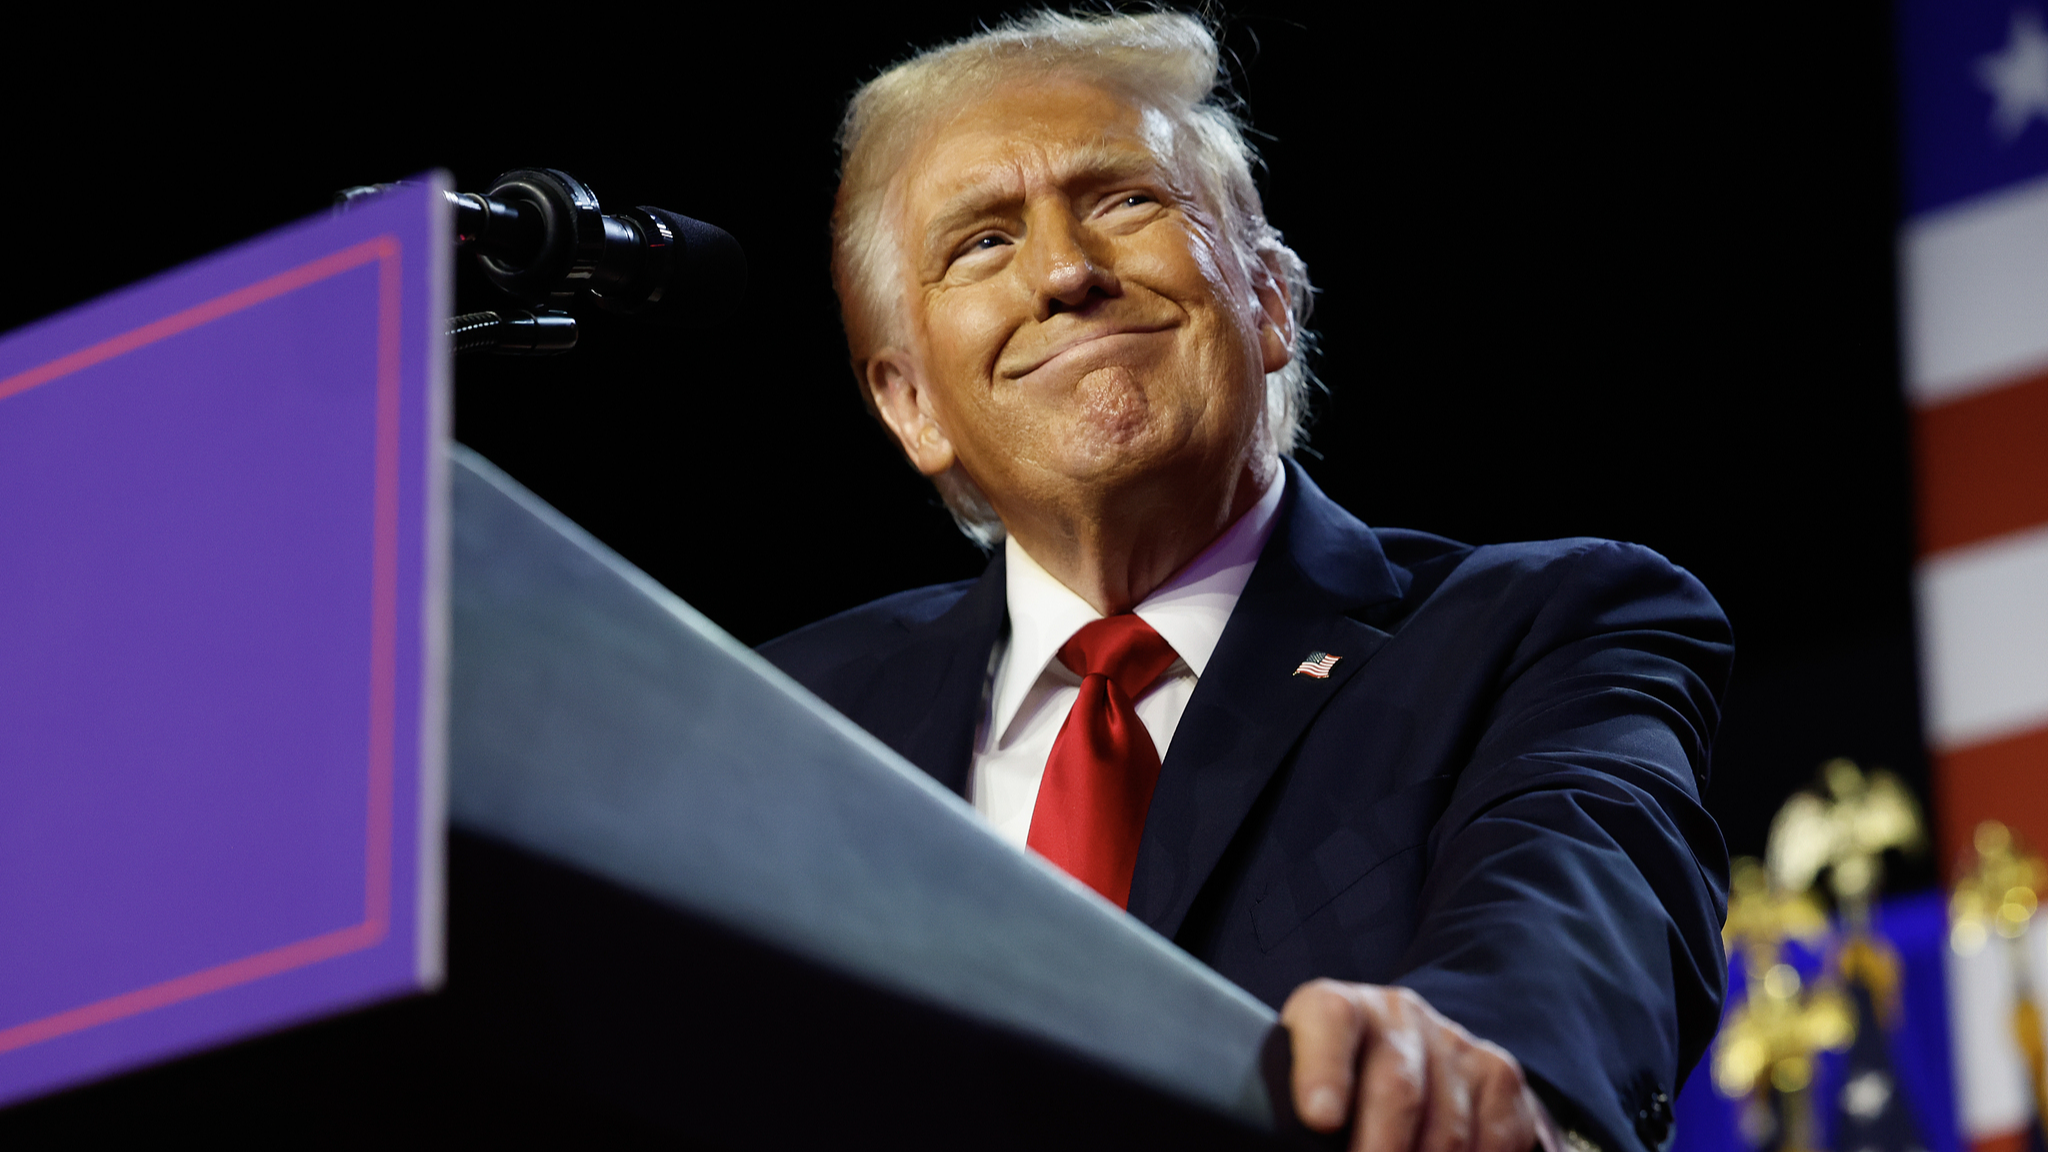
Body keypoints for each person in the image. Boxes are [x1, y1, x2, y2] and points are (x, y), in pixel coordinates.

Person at [760, 11, 1731, 1151]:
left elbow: (1579, 895)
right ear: (909, 404)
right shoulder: (788, 718)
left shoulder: (1540, 628)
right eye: (980, 242)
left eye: (1124, 199)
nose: (1065, 271)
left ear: (1267, 303)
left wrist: (1467, 1056)